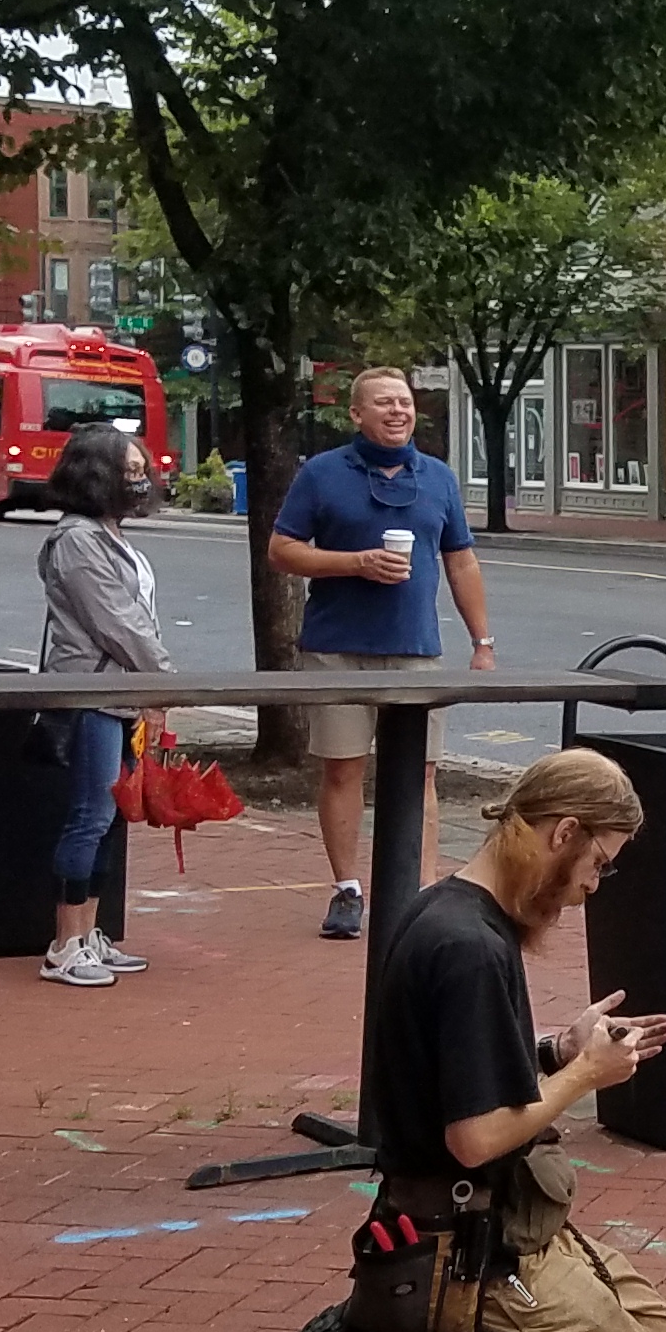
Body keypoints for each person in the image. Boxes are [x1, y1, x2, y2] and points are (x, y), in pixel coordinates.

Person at [264, 749, 666, 1332]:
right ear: (564, 833)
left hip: (503, 1218)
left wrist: (559, 1051)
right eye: (598, 863)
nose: (593, 885)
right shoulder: (471, 948)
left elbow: (457, 1069)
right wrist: (585, 1076)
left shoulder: (449, 908)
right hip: (472, 1241)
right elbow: (475, 1138)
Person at [266, 365, 494, 939]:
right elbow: (282, 550)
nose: (398, 411)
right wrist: (356, 563)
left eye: (405, 402)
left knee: (421, 774)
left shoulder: (438, 477)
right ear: (356, 414)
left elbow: (461, 561)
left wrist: (482, 641)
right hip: (336, 649)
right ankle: (347, 889)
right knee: (343, 769)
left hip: (415, 651)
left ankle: (419, 892)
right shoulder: (322, 474)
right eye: (385, 402)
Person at [33, 425, 173, 988]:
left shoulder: (108, 535)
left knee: (110, 816)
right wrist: (166, 681)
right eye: (130, 472)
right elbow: (118, 622)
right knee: (90, 815)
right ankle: (65, 945)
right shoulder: (77, 540)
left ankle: (90, 935)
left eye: (143, 471)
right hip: (92, 693)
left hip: (119, 694)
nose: (141, 482)